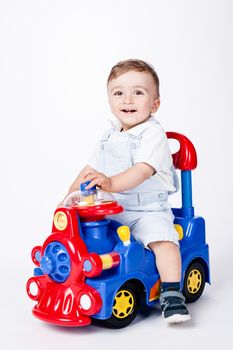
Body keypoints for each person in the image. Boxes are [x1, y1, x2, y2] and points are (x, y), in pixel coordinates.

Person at [61, 59, 191, 323]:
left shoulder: (153, 134)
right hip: (111, 211)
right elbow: (88, 169)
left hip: (146, 211)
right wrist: (67, 199)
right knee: (85, 239)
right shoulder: (108, 136)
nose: (127, 99)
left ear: (155, 104)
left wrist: (109, 183)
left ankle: (171, 292)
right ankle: (77, 279)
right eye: (119, 92)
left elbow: (142, 170)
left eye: (138, 92)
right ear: (110, 101)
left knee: (163, 242)